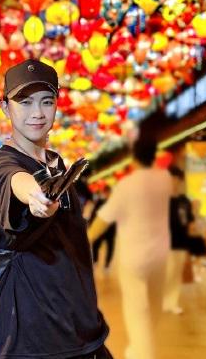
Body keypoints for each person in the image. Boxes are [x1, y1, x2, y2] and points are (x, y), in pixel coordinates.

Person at [0, 59, 110, 358]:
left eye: (46, 101)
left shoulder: (56, 162)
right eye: (24, 102)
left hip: (78, 326)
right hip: (32, 335)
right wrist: (35, 198)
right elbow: (17, 181)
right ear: (5, 107)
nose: (37, 113)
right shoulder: (2, 163)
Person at [88, 138, 172, 359]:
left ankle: (143, 352)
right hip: (161, 255)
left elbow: (103, 220)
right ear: (154, 155)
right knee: (154, 306)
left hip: (134, 257)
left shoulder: (127, 185)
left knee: (137, 309)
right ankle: (142, 348)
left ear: (133, 158)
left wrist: (85, 241)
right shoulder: (165, 180)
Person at [163, 166, 194, 315]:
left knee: (176, 274)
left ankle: (172, 302)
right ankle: (162, 301)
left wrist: (190, 245)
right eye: (170, 178)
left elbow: (189, 223)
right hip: (165, 243)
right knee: (167, 273)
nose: (173, 182)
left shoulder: (185, 201)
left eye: (176, 179)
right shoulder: (161, 200)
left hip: (181, 242)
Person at [90, 185, 116, 275]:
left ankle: (107, 265)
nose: (107, 194)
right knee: (96, 244)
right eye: (105, 192)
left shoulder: (114, 203)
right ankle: (95, 261)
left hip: (111, 229)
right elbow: (93, 214)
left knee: (110, 247)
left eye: (108, 192)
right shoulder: (99, 202)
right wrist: (91, 223)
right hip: (100, 228)